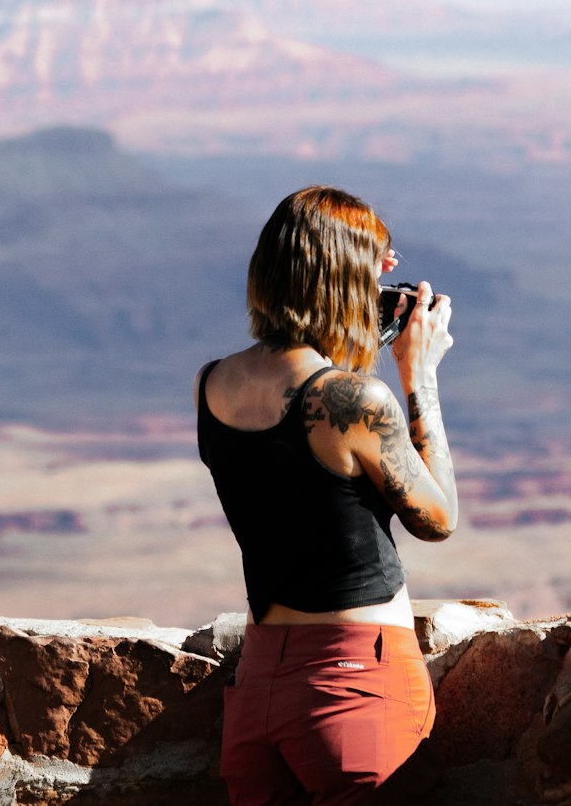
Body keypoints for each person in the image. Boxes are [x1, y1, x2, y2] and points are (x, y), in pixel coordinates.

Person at [194, 186, 458, 804]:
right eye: (375, 257)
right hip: (354, 688)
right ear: (337, 274)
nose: (388, 271)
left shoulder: (212, 385)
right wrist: (418, 376)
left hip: (258, 686)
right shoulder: (349, 400)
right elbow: (438, 517)